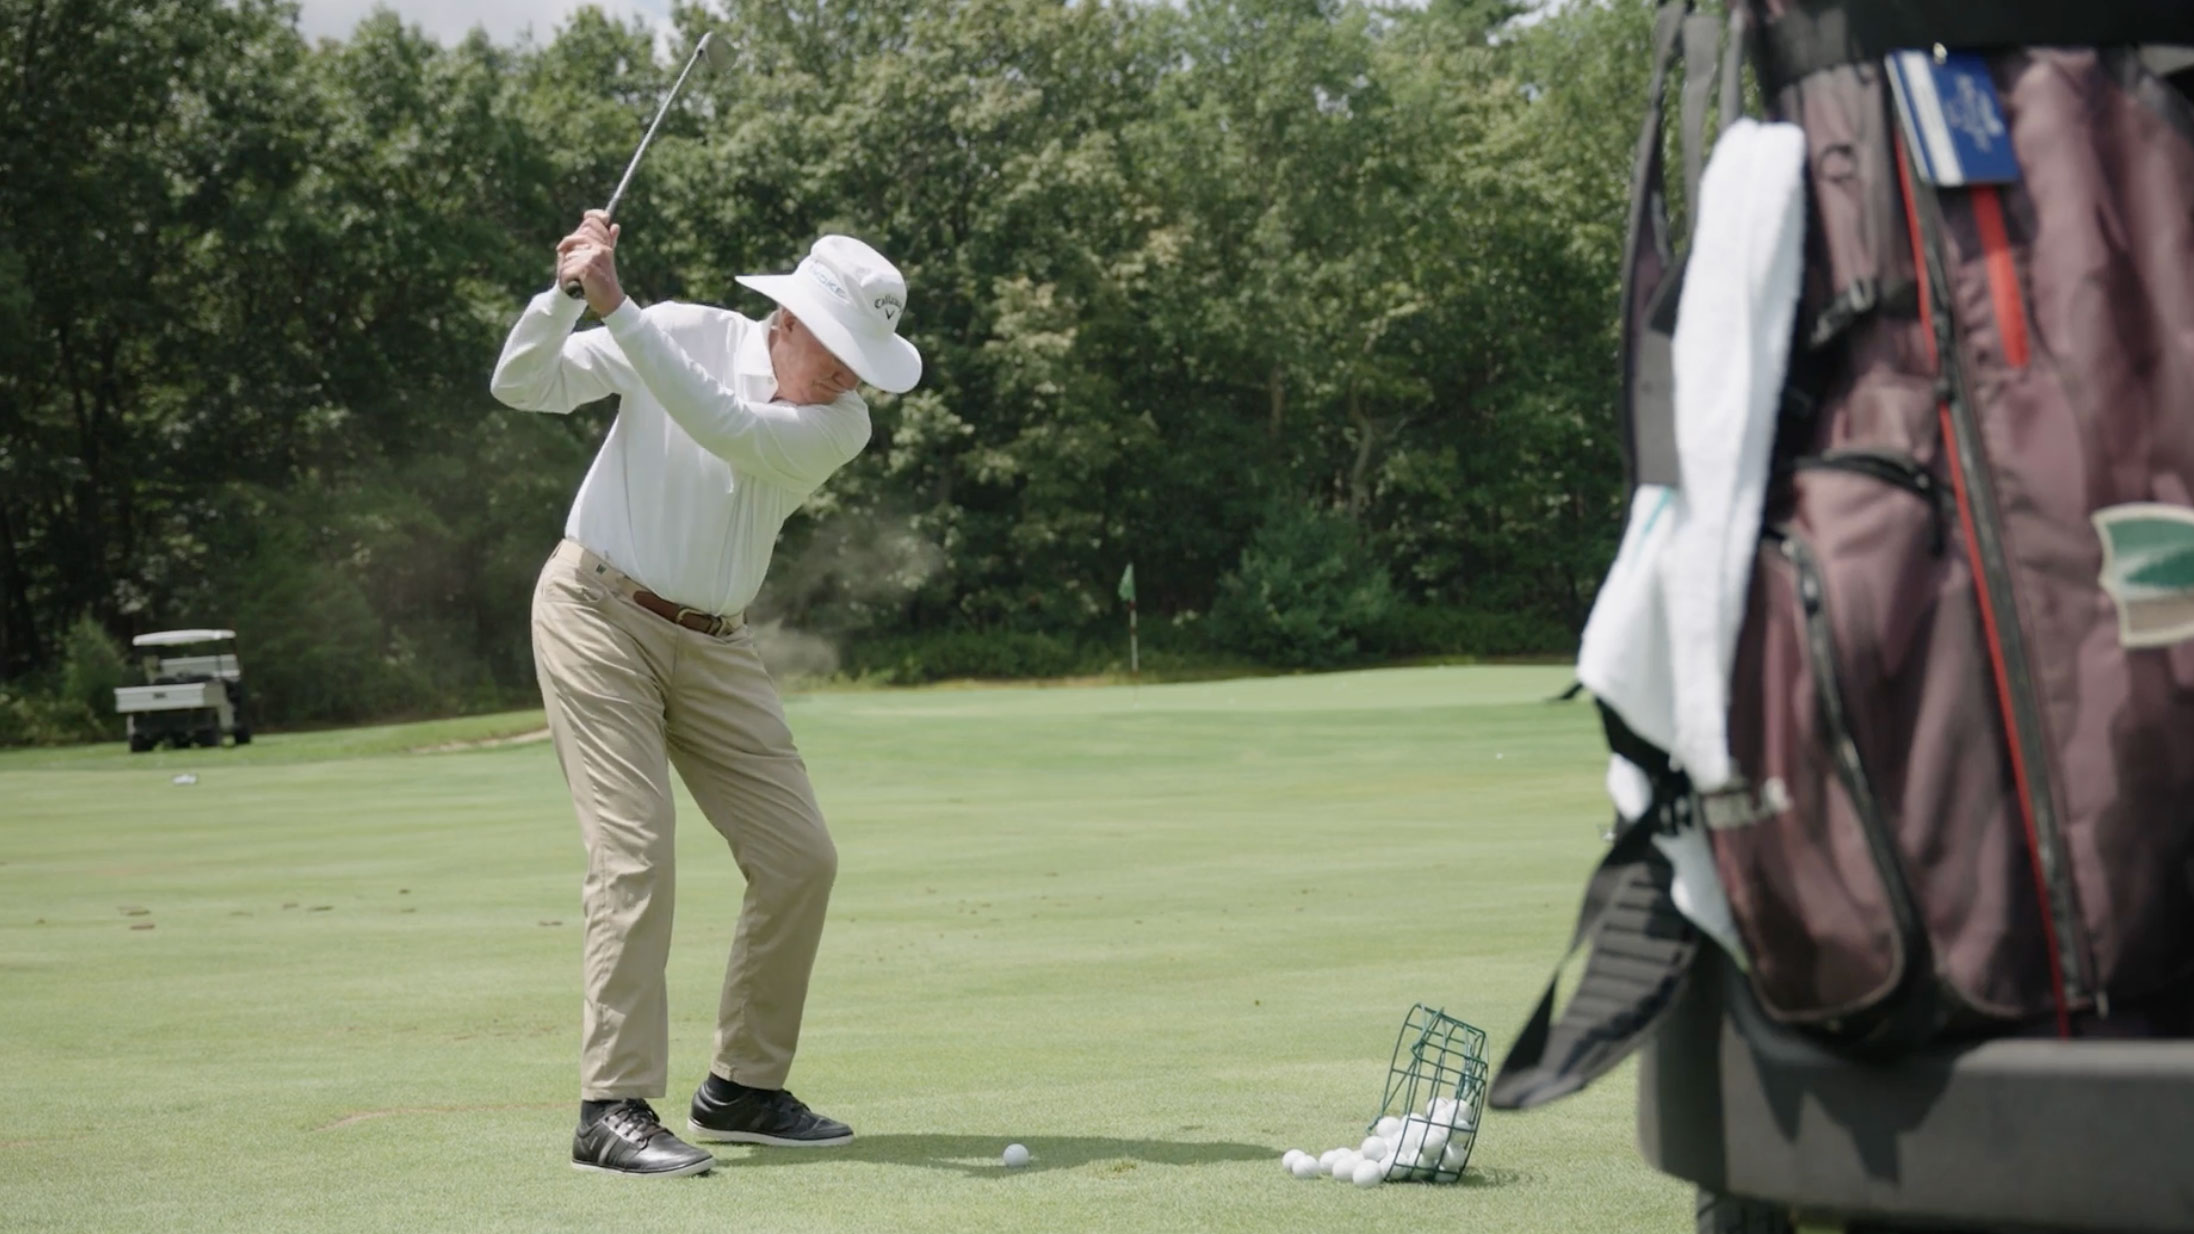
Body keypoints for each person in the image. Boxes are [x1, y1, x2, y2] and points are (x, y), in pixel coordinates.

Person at [490, 210, 921, 1178]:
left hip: (715, 643)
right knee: (635, 853)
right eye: (844, 349)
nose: (853, 373)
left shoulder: (836, 422)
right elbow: (521, 383)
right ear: (791, 322)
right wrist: (566, 294)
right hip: (596, 611)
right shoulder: (683, 330)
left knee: (800, 857)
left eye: (866, 358)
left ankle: (742, 1087)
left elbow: (724, 429)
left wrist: (619, 307)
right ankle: (611, 1107)